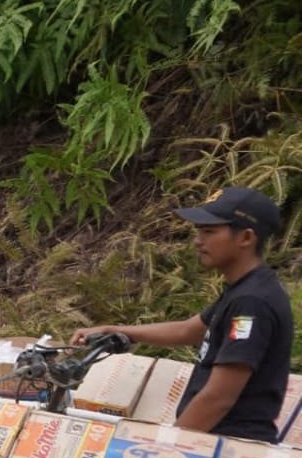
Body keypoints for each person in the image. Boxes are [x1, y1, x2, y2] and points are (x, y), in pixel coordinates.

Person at [72, 187, 293, 443]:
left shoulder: (252, 302)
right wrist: (114, 330)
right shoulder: (244, 290)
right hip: (209, 442)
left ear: (245, 237)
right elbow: (188, 330)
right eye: (198, 231)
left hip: (226, 450)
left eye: (209, 231)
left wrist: (167, 447)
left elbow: (218, 398)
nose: (198, 241)